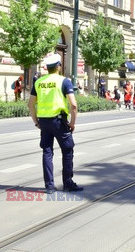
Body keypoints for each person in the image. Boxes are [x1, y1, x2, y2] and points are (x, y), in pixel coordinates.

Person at [28, 53, 83, 194]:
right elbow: (73, 105)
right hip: (59, 121)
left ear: (47, 68)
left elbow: (30, 104)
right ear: (58, 66)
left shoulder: (38, 82)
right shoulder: (64, 81)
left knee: (47, 152)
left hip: (44, 122)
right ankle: (68, 183)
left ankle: (49, 186)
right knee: (67, 150)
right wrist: (72, 123)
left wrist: (36, 122)